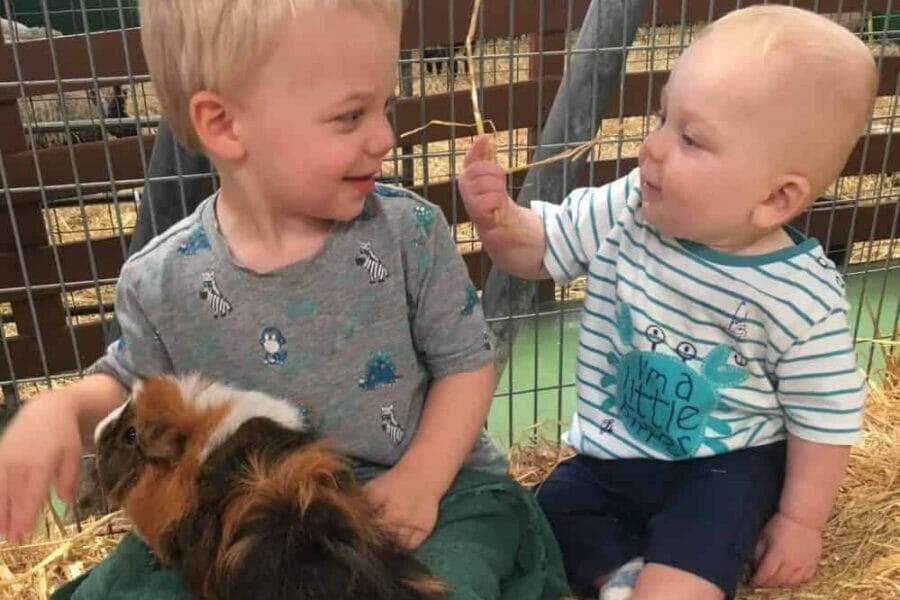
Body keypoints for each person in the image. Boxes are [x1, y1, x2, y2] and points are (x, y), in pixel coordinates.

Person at [0, 1, 569, 598]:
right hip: (255, 522)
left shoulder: (410, 233)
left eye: (385, 105)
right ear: (225, 125)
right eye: (351, 115)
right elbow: (129, 387)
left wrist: (421, 479)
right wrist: (61, 409)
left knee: (448, 579)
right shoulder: (161, 278)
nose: (385, 136)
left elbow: (467, 364)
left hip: (432, 491)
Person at [458, 5, 877, 600]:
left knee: (700, 543)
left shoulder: (799, 295)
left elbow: (825, 417)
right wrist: (499, 219)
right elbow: (540, 248)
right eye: (662, 118)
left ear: (776, 198)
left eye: (690, 138)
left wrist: (800, 522)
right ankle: (621, 577)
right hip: (609, 459)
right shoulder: (630, 206)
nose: (652, 147)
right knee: (546, 514)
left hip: (723, 468)